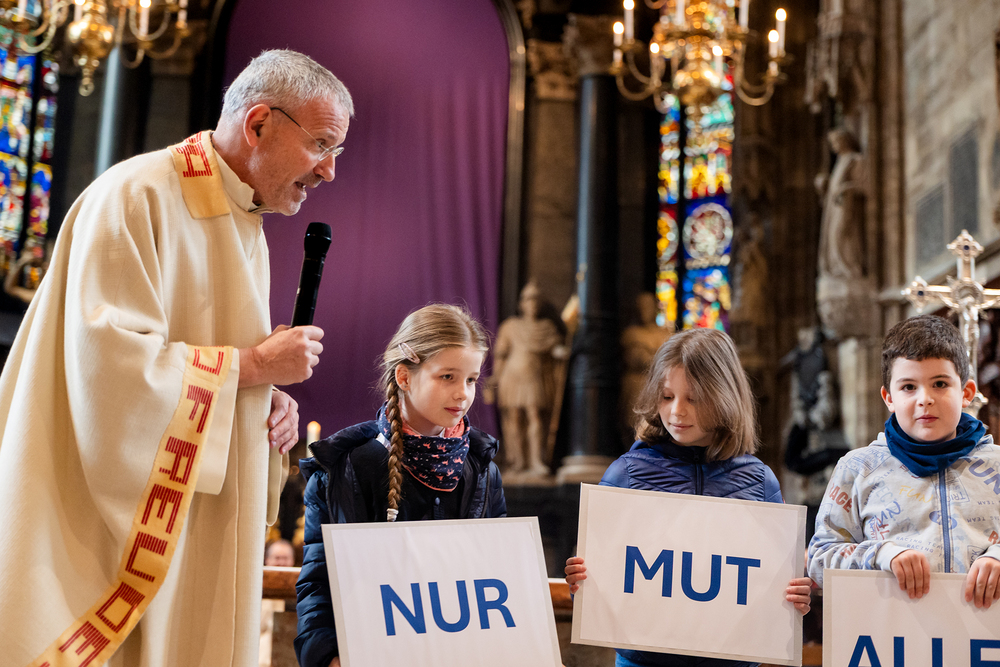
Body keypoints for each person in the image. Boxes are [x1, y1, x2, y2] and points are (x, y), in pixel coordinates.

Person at [0, 50, 351, 667]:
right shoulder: (134, 197)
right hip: (108, 538)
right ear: (259, 123)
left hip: (198, 531)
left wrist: (264, 403)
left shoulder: (245, 221)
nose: (329, 170)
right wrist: (254, 367)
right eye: (321, 145)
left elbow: (217, 362)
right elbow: (106, 373)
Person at [565, 328, 812, 667]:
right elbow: (599, 585)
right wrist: (582, 581)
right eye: (667, 397)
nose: (677, 412)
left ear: (724, 397)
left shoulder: (760, 482)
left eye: (693, 399)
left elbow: (776, 586)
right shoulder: (625, 475)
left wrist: (795, 596)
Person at [294, 304, 506, 667]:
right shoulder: (344, 469)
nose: (463, 394)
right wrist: (328, 655)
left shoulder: (482, 469)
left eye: (471, 380)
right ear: (405, 377)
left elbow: (499, 576)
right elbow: (318, 581)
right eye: (448, 377)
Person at [807, 315, 1000, 608]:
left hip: (982, 632)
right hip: (891, 632)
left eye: (940, 383)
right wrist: (882, 555)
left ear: (966, 393)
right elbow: (820, 559)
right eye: (909, 387)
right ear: (889, 398)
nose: (925, 399)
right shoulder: (858, 469)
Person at [490, 281, 565, 477]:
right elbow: (501, 355)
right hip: (512, 377)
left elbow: (555, 349)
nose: (532, 305)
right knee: (514, 419)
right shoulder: (511, 326)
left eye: (536, 301)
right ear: (522, 304)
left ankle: (536, 460)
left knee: (535, 416)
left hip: (534, 377)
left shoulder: (547, 327)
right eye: (528, 300)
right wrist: (496, 377)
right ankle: (518, 461)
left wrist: (560, 351)